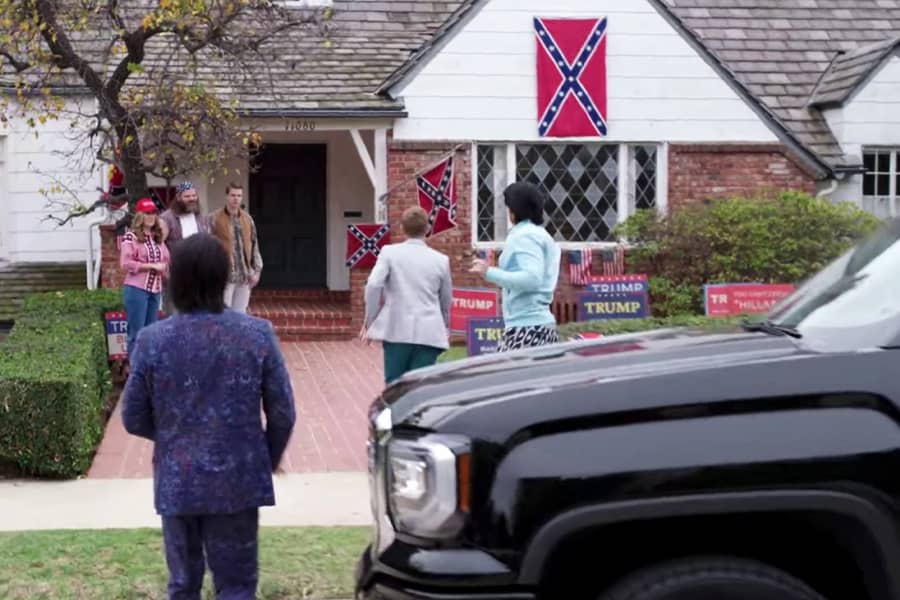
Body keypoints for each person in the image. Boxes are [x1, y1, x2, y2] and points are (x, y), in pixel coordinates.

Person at [121, 233, 296, 600]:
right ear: (221, 279)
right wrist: (266, 458)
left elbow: (133, 416)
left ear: (178, 280)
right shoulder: (256, 334)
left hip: (178, 478)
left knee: (183, 586)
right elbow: (282, 412)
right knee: (236, 587)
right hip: (239, 479)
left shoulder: (152, 340)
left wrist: (176, 434)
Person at [361, 206, 452, 384]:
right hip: (429, 331)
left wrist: (370, 320)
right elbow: (445, 298)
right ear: (427, 229)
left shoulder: (389, 253)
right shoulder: (441, 260)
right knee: (420, 387)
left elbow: (373, 284)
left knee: (395, 386)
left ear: (402, 228)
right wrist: (444, 323)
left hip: (396, 328)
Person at [470, 182, 561, 351]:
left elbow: (532, 279)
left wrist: (488, 272)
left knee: (506, 377)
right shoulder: (540, 235)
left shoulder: (524, 236)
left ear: (514, 210)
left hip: (527, 329)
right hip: (535, 326)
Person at [119, 197, 170, 357]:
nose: (151, 216)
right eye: (147, 213)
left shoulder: (157, 238)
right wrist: (151, 266)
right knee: (137, 333)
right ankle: (135, 370)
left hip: (155, 289)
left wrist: (164, 269)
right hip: (136, 289)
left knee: (151, 333)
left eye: (154, 212)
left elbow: (166, 260)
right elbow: (125, 263)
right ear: (140, 215)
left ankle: (148, 368)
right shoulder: (130, 237)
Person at [209, 183, 263, 313]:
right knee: (222, 314)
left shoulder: (247, 219)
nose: (236, 199)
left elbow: (254, 245)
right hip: (224, 276)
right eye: (233, 195)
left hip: (244, 276)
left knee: (240, 315)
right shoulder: (214, 218)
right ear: (226, 196)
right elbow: (207, 248)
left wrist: (257, 271)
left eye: (239, 195)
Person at [159, 181, 210, 314]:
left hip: (198, 276)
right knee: (174, 316)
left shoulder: (201, 218)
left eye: (194, 195)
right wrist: (165, 267)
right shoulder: (166, 218)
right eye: (187, 196)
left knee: (197, 315)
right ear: (178, 198)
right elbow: (159, 244)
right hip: (175, 276)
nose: (192, 199)